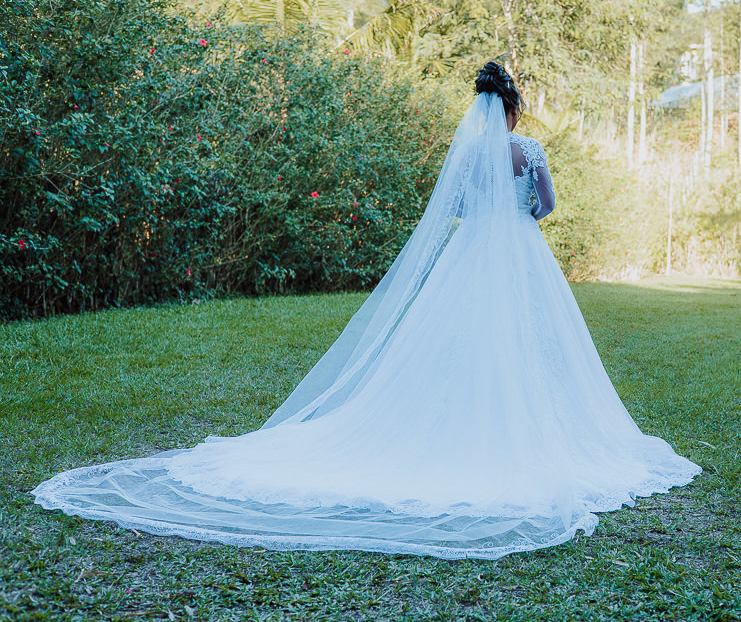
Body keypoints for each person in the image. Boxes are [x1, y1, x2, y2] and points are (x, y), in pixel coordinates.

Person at [31, 61, 701, 560]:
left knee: (454, 342)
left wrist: (487, 214)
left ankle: (455, 416)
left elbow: (457, 209)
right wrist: (521, 211)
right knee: (529, 343)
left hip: (469, 254)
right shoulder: (528, 151)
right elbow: (548, 206)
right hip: (521, 253)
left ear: (478, 105)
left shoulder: (467, 152)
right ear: (515, 108)